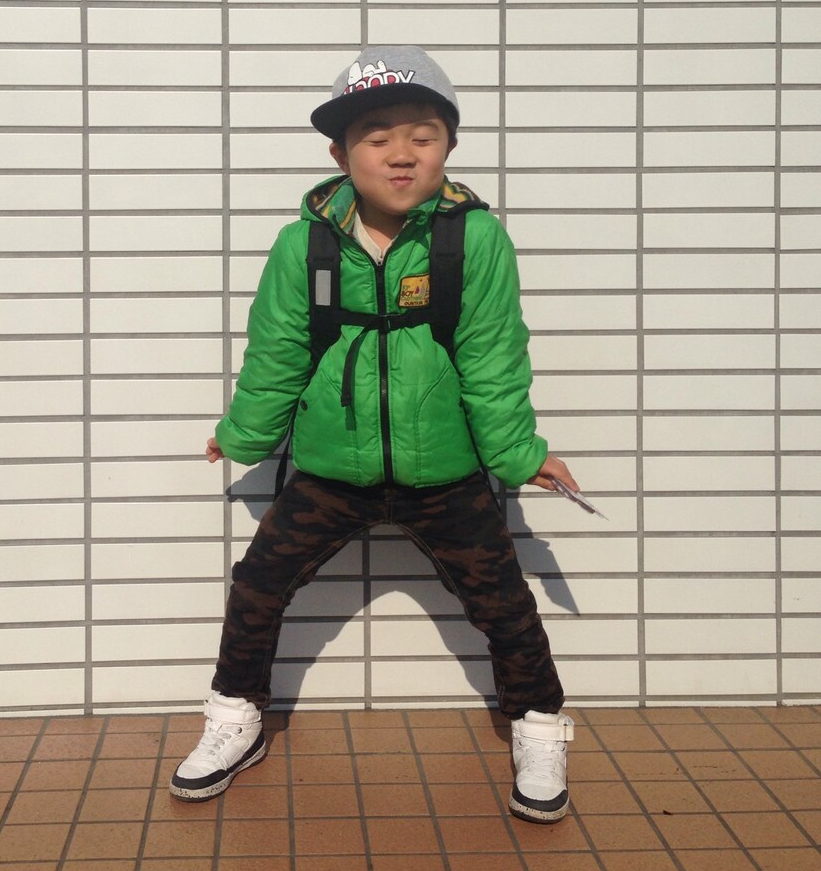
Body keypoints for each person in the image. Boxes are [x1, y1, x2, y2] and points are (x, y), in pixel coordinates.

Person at [171, 46, 577, 824]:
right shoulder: (304, 245)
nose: (401, 153)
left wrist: (520, 455)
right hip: (331, 471)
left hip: (446, 473)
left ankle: (538, 727)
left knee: (502, 601)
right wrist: (245, 432)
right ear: (340, 154)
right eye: (377, 136)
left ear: (448, 146)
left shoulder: (474, 240)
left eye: (422, 135)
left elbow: (494, 358)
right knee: (258, 586)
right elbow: (278, 351)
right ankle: (235, 716)